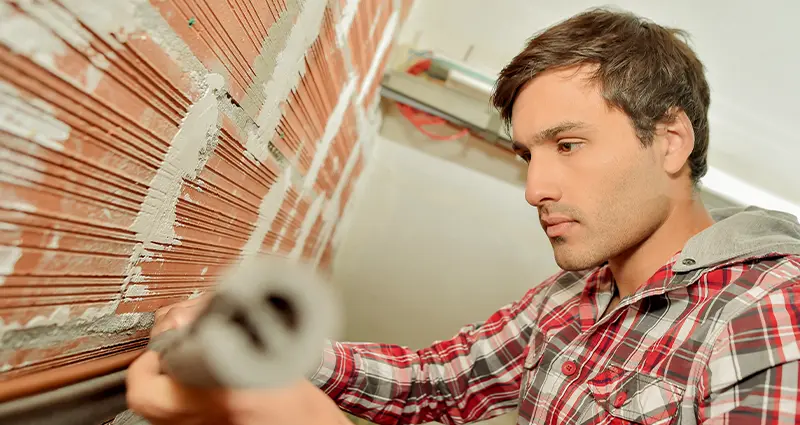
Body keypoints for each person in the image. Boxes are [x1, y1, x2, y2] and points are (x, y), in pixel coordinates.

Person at [126, 7, 800, 425]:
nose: (536, 186)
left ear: (671, 141)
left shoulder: (770, 311)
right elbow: (436, 382)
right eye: (527, 155)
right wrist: (270, 349)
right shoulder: (571, 297)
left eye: (568, 145)